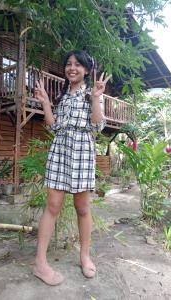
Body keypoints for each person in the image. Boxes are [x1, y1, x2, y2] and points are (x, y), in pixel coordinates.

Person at [33, 50, 111, 285]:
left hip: (83, 152)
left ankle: (84, 256)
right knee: (53, 205)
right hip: (60, 150)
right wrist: (46, 102)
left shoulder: (92, 94)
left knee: (83, 208)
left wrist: (97, 98)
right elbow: (53, 126)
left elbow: (97, 126)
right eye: (68, 64)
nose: (72, 68)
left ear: (86, 70)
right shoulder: (63, 97)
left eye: (78, 65)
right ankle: (39, 263)